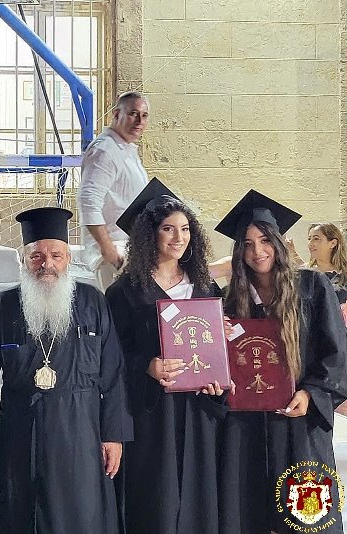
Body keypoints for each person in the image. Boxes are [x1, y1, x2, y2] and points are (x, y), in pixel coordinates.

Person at [0, 207, 131, 533]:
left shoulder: (92, 302)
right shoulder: (4, 308)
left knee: (81, 516)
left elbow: (114, 373)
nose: (47, 264)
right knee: (20, 516)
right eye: (36, 257)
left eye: (56, 255)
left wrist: (114, 436)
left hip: (81, 434)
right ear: (23, 260)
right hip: (21, 435)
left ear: (67, 259)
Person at [215, 190, 347, 533]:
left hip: (299, 425)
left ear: (277, 241)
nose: (257, 251)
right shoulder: (231, 303)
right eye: (246, 243)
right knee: (251, 514)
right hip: (247, 429)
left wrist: (312, 393)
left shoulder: (312, 286)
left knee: (306, 514)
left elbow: (336, 353)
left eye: (264, 240)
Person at [104, 179, 227, 534]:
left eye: (185, 229)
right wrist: (146, 364)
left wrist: (220, 380)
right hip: (151, 412)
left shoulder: (205, 287)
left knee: (198, 494)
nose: (178, 237)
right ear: (149, 235)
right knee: (154, 498)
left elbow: (218, 346)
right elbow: (110, 358)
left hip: (198, 408)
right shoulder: (124, 292)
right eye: (168, 229)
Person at [78, 91, 150, 290]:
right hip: (114, 252)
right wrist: (108, 250)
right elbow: (88, 201)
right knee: (116, 317)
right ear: (117, 114)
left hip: (130, 249)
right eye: (133, 114)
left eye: (144, 116)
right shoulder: (104, 150)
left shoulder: (126, 149)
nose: (139, 121)